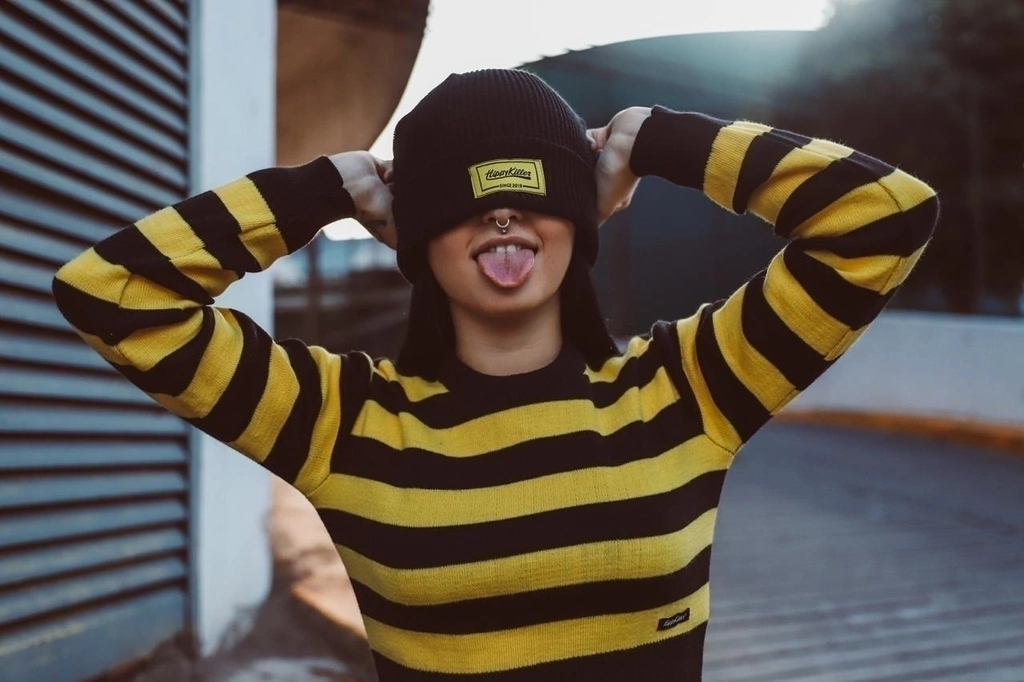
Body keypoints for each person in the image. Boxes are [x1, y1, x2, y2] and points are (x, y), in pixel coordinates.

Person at [53, 69, 938, 680]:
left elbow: (886, 217)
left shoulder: (688, 386)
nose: (502, 216)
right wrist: (325, 191)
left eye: (535, 194)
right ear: (415, 235)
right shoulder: (339, 421)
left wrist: (661, 141)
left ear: (581, 215)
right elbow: (111, 293)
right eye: (464, 202)